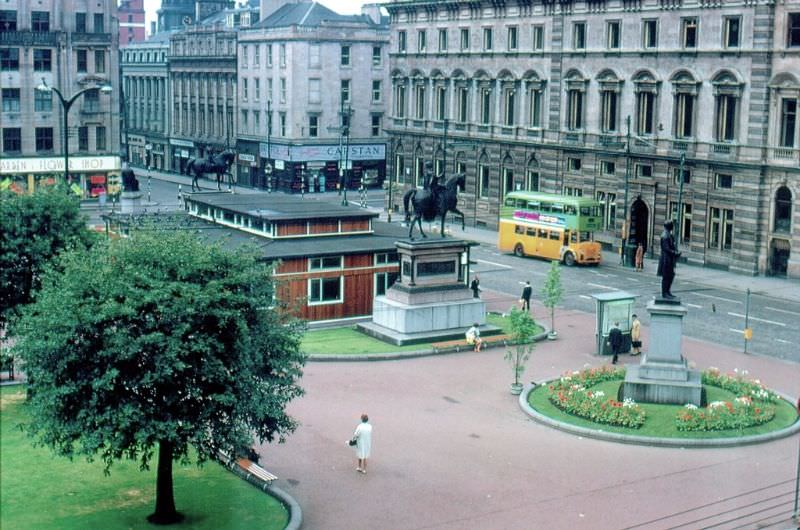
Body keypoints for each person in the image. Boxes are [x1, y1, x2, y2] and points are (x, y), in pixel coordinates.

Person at [657, 220, 682, 299]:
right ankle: (665, 293)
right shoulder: (665, 235)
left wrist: (675, 252)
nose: (673, 227)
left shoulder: (669, 235)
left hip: (669, 259)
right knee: (666, 276)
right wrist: (675, 253)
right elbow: (666, 248)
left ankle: (667, 291)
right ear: (669, 226)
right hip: (665, 259)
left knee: (671, 275)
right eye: (672, 225)